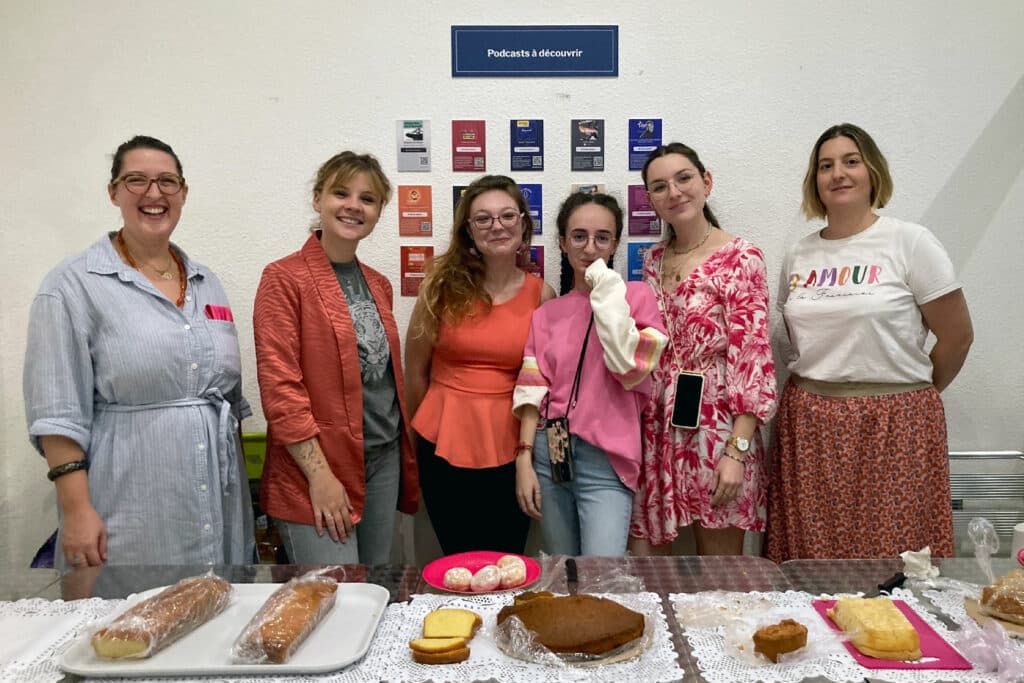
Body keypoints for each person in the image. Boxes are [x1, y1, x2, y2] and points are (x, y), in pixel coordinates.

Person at [23, 135, 254, 571]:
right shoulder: (72, 286)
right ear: (113, 192)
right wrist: (76, 511)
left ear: (183, 193)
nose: (154, 194)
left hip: (220, 509)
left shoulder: (207, 282)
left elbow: (228, 401)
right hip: (130, 508)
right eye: (137, 180)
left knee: (216, 620)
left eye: (168, 182)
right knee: (134, 627)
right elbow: (56, 414)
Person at [766, 124, 973, 561]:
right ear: (815, 181)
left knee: (894, 566)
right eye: (826, 166)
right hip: (811, 425)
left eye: (850, 161)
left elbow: (957, 337)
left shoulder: (910, 242)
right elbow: (790, 338)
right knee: (813, 564)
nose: (838, 173)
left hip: (894, 427)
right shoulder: (800, 254)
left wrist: (908, 396)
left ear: (872, 172)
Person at [253, 151, 418, 565]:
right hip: (320, 465)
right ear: (318, 199)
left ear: (379, 211)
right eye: (340, 193)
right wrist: (320, 476)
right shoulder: (284, 279)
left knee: (377, 586)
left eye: (367, 198)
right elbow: (280, 389)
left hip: (382, 460)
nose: (353, 206)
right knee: (335, 595)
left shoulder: (378, 284)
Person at [630, 143, 778, 556]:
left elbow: (753, 359)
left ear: (706, 182)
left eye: (683, 179)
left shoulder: (741, 257)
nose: (674, 192)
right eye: (660, 187)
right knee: (649, 566)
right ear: (652, 201)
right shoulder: (653, 260)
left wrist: (738, 450)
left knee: (718, 572)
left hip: (719, 426)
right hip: (659, 424)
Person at [406, 175, 556, 555]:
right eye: (483, 219)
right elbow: (415, 371)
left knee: (507, 560)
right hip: (442, 439)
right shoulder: (439, 286)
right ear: (468, 231)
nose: (497, 226)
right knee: (457, 560)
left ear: (523, 222)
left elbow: (541, 382)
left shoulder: (543, 294)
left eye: (507, 215)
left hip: (513, 444)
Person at [513, 192, 667, 556]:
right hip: (550, 453)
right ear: (564, 242)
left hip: (607, 459)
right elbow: (532, 389)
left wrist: (608, 294)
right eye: (579, 236)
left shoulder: (637, 298)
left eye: (602, 237)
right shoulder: (547, 314)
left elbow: (631, 367)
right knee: (561, 571)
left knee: (602, 576)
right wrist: (523, 459)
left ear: (615, 243)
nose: (590, 248)